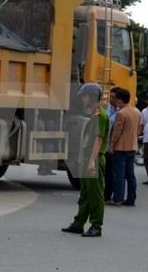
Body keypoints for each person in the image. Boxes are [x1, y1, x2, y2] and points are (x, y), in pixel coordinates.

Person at [62, 83, 109, 238]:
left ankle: (96, 226)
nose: (82, 99)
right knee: (85, 194)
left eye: (84, 96)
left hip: (93, 158)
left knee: (95, 195)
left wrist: (92, 162)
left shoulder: (100, 116)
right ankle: (78, 223)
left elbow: (98, 139)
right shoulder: (94, 115)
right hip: (88, 157)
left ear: (92, 97)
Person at [108, 88, 140, 207]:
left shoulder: (121, 113)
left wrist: (111, 145)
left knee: (119, 175)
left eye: (116, 100)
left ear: (120, 100)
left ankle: (117, 199)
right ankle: (131, 199)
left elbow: (117, 132)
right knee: (130, 175)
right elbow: (138, 129)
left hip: (120, 148)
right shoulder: (136, 112)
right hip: (132, 146)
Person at [104, 87, 121, 201]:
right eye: (111, 97)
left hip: (114, 147)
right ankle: (105, 194)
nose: (111, 99)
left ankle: (111, 195)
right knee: (106, 172)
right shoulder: (106, 109)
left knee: (112, 173)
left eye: (114, 98)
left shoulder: (121, 113)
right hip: (104, 145)